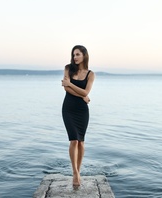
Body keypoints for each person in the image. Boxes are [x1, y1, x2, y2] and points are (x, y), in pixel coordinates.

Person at [61, 45, 95, 186]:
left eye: (77, 54)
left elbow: (86, 92)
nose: (75, 57)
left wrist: (80, 93)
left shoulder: (90, 74)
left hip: (82, 110)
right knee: (74, 140)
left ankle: (78, 170)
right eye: (73, 54)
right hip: (68, 108)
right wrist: (82, 95)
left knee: (81, 141)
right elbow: (66, 87)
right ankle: (75, 172)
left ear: (84, 55)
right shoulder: (68, 68)